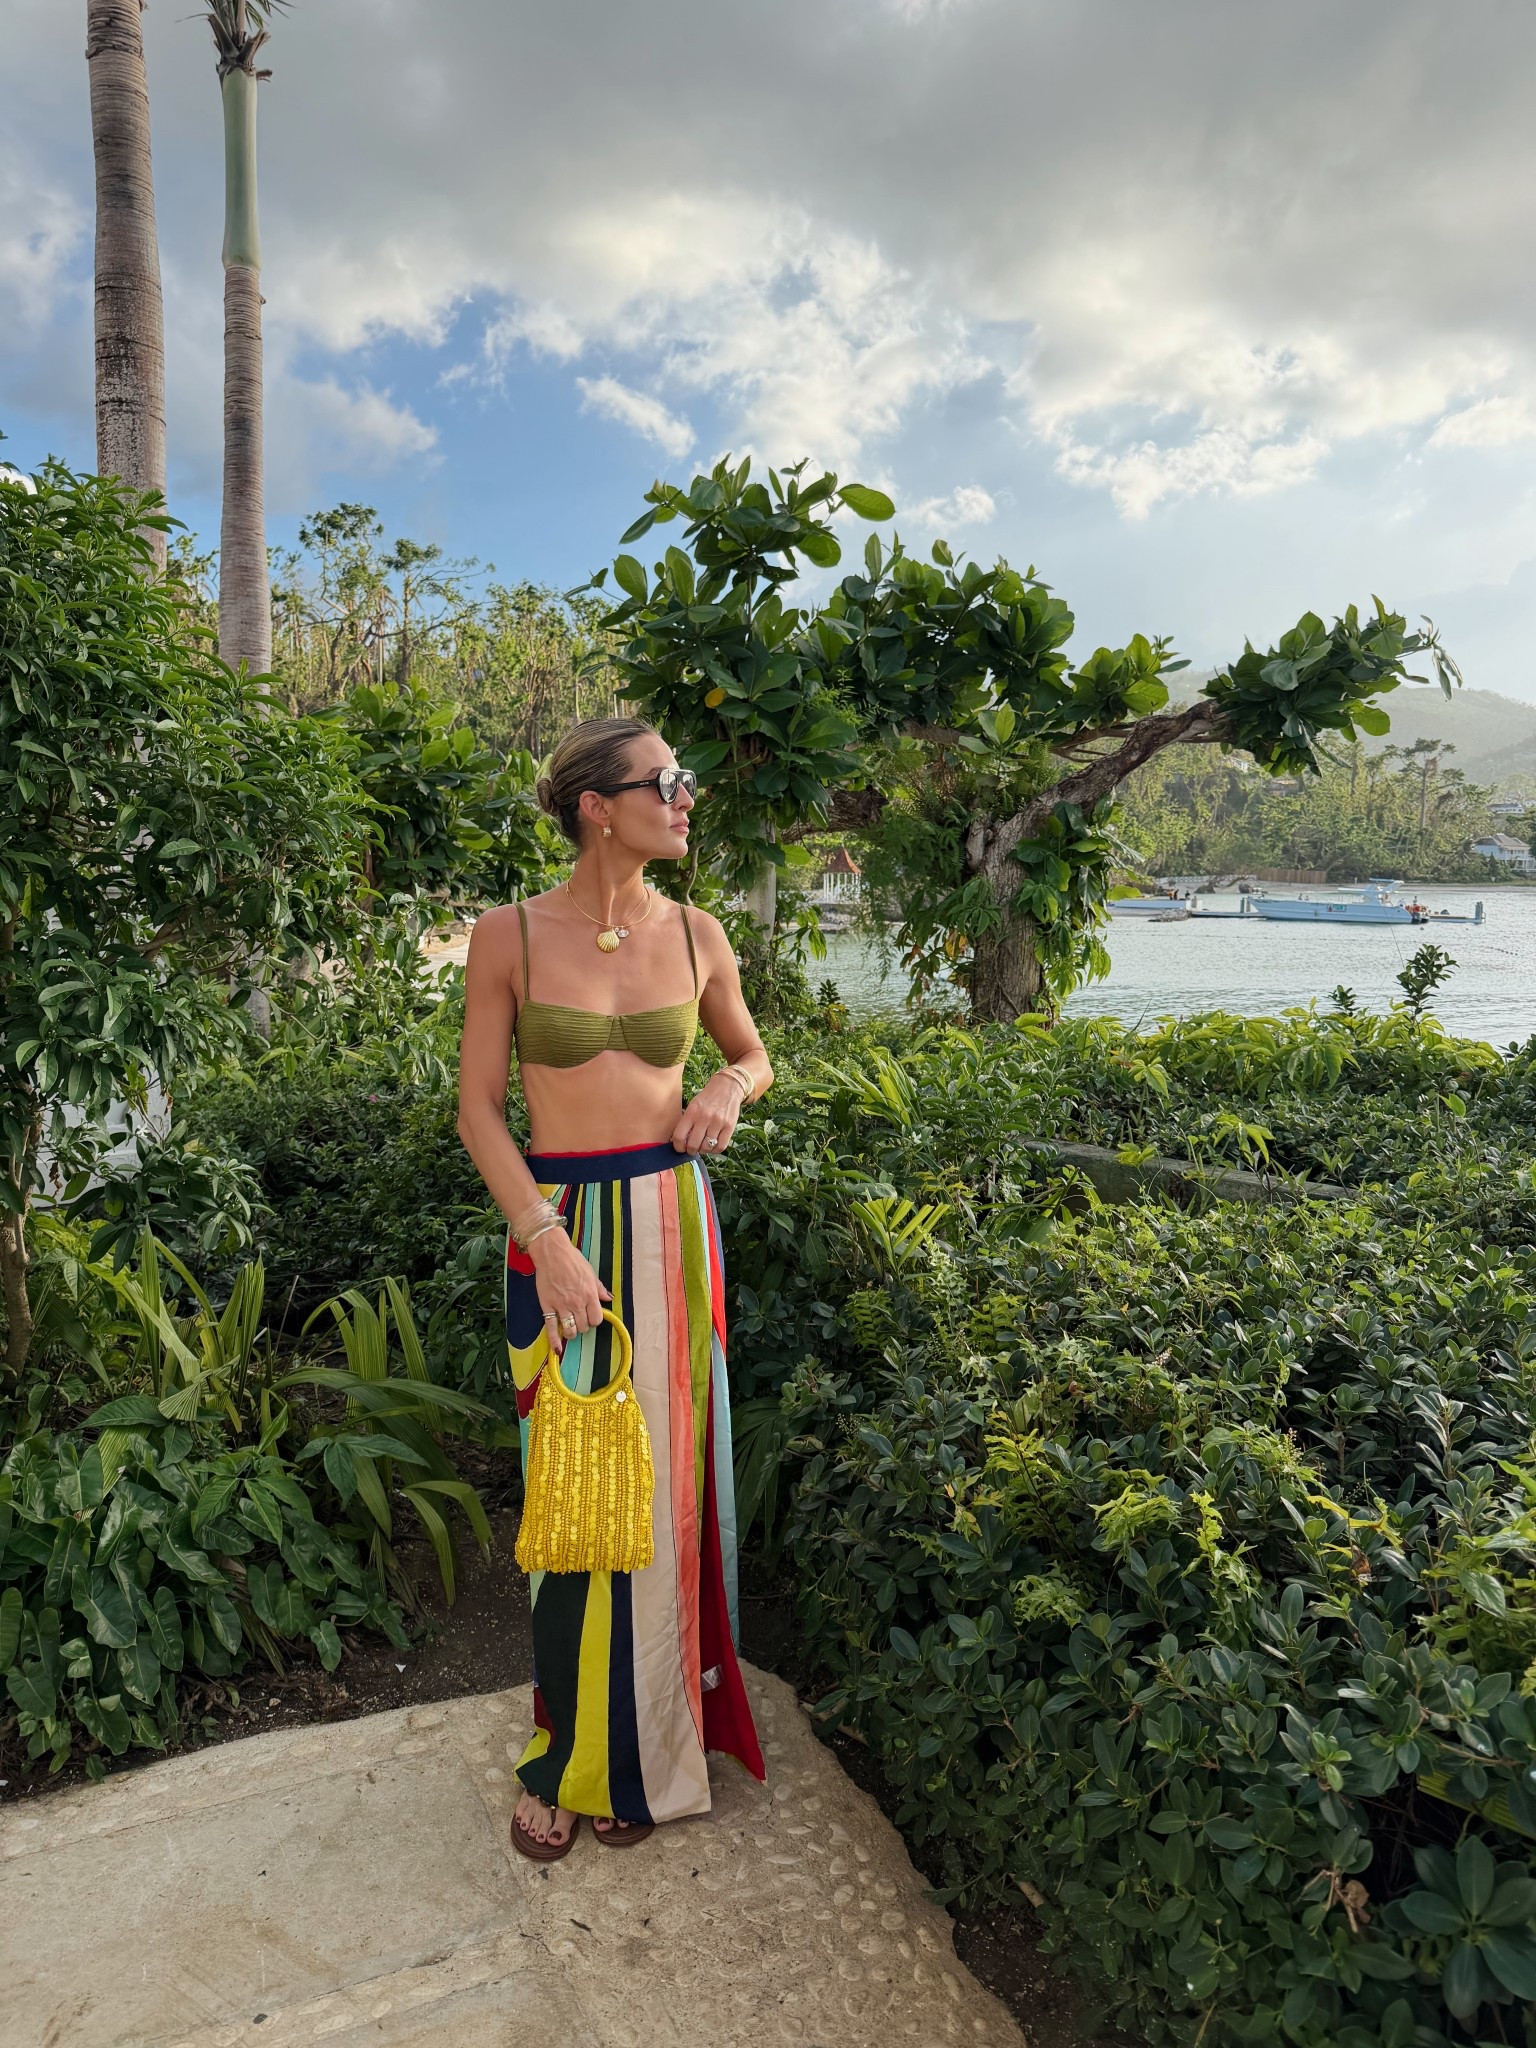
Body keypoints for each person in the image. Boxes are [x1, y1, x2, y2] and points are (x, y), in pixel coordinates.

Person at [457, 716, 771, 1862]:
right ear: (597, 803)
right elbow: (478, 1109)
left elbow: (752, 1052)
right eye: (665, 780)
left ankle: (649, 1753)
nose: (686, 797)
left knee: (668, 1496)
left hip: (673, 1227)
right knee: (574, 1498)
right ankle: (564, 1752)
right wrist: (541, 1236)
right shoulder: (508, 934)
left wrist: (729, 1087)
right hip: (561, 1236)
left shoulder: (698, 932)